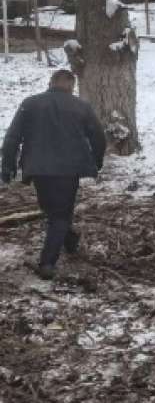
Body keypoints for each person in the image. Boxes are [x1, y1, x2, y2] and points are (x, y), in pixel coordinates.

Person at [1, 69, 106, 280]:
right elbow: (99, 137)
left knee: (53, 210)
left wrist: (7, 165)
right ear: (72, 86)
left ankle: (66, 242)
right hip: (69, 169)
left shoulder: (30, 103)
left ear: (51, 83)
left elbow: (12, 137)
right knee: (59, 214)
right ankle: (48, 263)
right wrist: (97, 161)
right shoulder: (81, 106)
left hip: (38, 168)